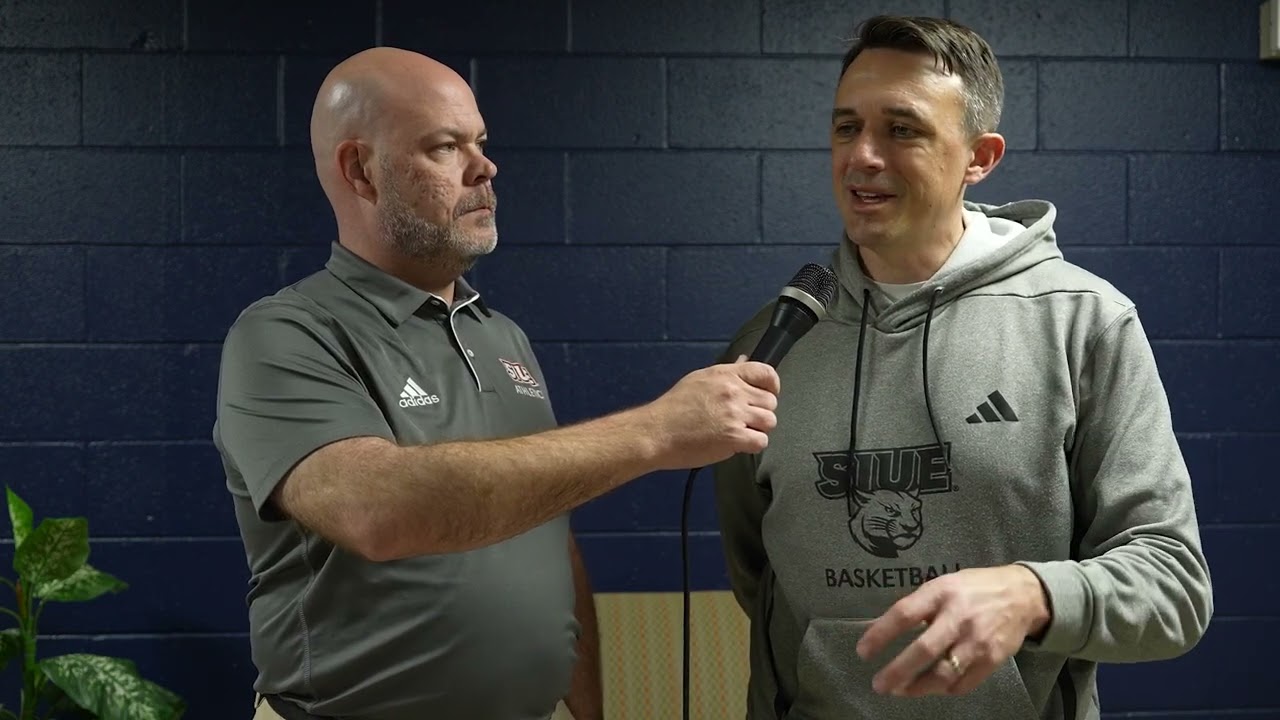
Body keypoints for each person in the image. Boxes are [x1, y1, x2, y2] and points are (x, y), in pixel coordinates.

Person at [213, 47, 782, 720]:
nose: (485, 168)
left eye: (479, 142)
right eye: (446, 147)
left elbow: (548, 535)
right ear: (360, 171)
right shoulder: (286, 334)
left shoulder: (501, 335)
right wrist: (656, 431)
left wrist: (584, 710)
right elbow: (377, 513)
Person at [711, 14, 1213, 720]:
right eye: (846, 127)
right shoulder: (773, 340)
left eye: (902, 129)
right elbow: (758, 573)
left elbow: (1174, 588)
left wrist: (1034, 595)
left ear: (980, 157)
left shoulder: (1084, 323)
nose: (862, 156)